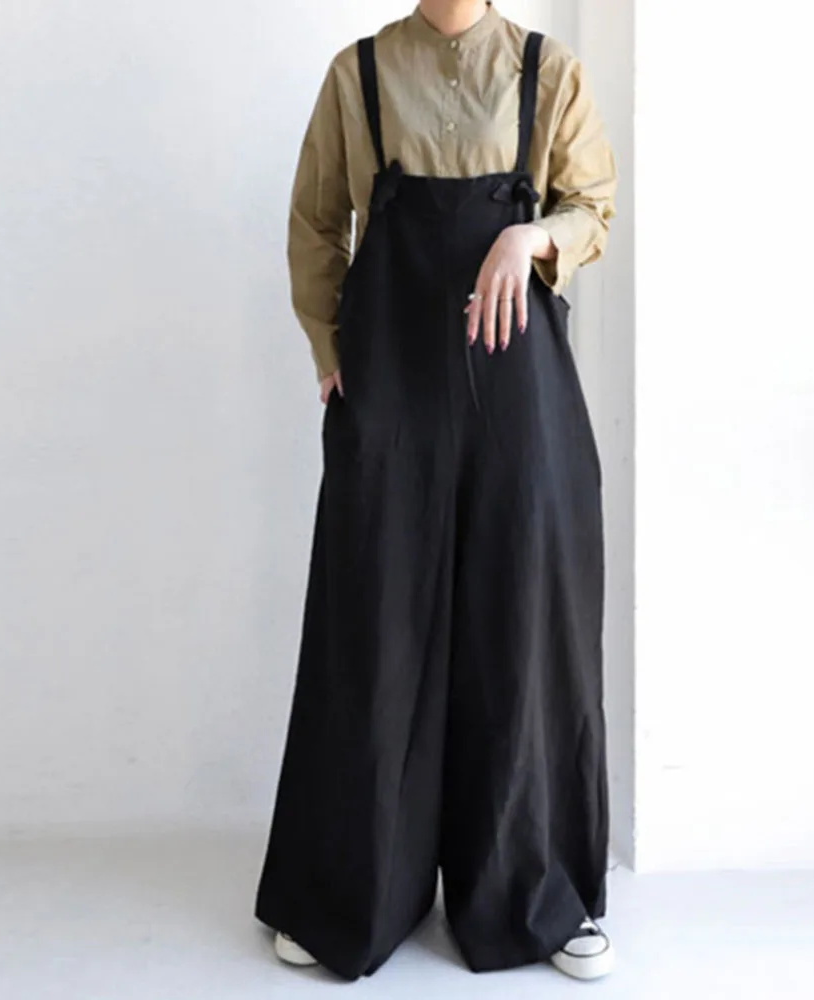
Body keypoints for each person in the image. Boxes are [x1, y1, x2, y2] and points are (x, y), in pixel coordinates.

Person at [254, 0, 618, 982]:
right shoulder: (360, 74)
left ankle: (536, 896)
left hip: (520, 385)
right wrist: (329, 346)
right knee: (375, 627)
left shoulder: (547, 70)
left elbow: (592, 206)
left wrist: (529, 239)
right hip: (391, 384)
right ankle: (349, 893)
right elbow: (316, 220)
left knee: (523, 625)